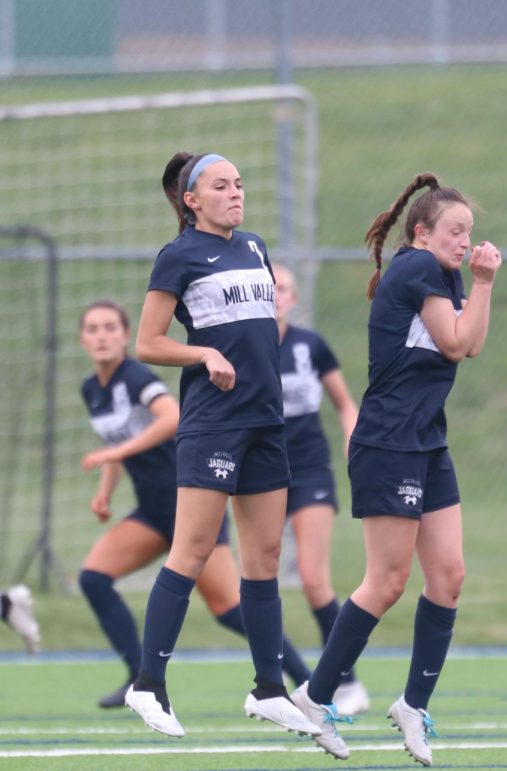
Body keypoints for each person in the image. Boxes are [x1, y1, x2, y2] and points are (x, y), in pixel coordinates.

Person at [291, 173, 502, 764]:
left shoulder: (446, 273)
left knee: (449, 576)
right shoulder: (416, 269)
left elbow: (473, 343)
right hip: (388, 443)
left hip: (426, 442)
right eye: (455, 231)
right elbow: (457, 342)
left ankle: (412, 705)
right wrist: (483, 282)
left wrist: (478, 284)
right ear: (422, 232)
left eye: (470, 233)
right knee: (386, 583)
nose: (465, 241)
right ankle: (314, 694)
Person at [124, 151, 320, 741]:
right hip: (214, 424)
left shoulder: (255, 247)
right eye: (220, 185)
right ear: (192, 200)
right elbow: (148, 342)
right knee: (192, 550)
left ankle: (268, 688)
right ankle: (148, 685)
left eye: (238, 183)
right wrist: (204, 353)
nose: (235, 193)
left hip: (266, 423)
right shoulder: (179, 256)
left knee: (263, 564)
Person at [79, 300, 311, 709]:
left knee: (227, 607)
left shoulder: (135, 376)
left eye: (110, 328)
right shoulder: (92, 389)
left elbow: (170, 417)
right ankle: (138, 676)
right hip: (153, 511)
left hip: (190, 498)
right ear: (83, 339)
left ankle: (304, 680)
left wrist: (115, 455)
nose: (101, 336)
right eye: (93, 329)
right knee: (94, 577)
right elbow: (117, 443)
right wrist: (106, 490)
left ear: (124, 334)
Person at [273, 262, 369, 716]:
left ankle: (346, 682)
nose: (275, 294)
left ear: (293, 298)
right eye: (267, 287)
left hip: (309, 472)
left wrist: (356, 446)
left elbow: (345, 404)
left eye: (284, 288)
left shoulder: (310, 347)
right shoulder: (241, 348)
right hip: (260, 476)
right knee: (256, 581)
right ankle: (273, 685)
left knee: (313, 579)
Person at [1, 584, 40, 653]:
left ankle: (32, 645)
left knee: (30, 631)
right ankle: (32, 644)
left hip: (8, 608)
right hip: (8, 607)